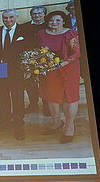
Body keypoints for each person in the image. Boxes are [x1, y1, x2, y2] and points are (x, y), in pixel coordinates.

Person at [38, 11, 80, 143]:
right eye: (51, 20)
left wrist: (63, 63)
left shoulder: (70, 33)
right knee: (52, 98)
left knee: (69, 98)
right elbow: (39, 51)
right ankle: (56, 123)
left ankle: (69, 127)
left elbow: (77, 52)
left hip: (69, 69)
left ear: (63, 21)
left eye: (57, 20)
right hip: (50, 71)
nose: (54, 23)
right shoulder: (41, 33)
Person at [0, 9, 29, 140]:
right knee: (2, 98)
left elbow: (30, 50)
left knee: (18, 99)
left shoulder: (24, 31)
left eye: (11, 17)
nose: (8, 20)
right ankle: (4, 122)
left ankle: (18, 125)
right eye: (5, 18)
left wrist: (28, 69)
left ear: (16, 17)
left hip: (17, 71)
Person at [21, 6, 49, 115]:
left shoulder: (49, 25)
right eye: (34, 14)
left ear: (44, 14)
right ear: (31, 15)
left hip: (45, 59)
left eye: (40, 13)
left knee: (45, 83)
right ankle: (33, 104)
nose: (37, 16)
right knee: (30, 83)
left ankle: (47, 105)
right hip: (29, 60)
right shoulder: (24, 27)